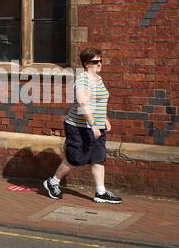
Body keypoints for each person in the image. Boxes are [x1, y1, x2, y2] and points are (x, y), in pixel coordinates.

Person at [44, 48, 122, 204]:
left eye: (100, 60)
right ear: (86, 64)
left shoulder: (97, 79)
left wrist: (104, 118)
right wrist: (92, 124)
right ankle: (52, 182)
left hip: (96, 126)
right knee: (75, 159)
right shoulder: (83, 79)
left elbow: (97, 102)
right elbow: (82, 102)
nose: (99, 64)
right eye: (95, 61)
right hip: (79, 127)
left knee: (98, 158)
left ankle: (100, 192)